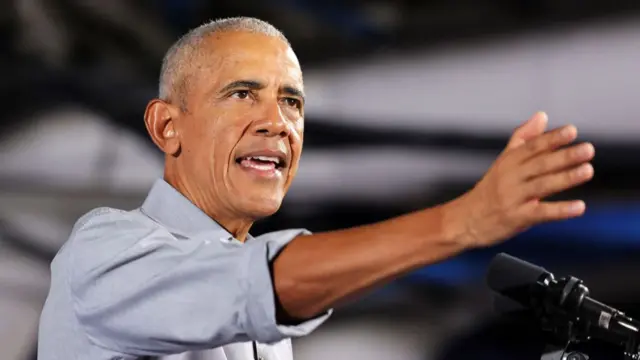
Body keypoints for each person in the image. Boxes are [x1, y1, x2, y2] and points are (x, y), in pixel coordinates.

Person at [37, 16, 596, 360]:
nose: (277, 121)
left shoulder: (267, 322)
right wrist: (461, 223)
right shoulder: (102, 252)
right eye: (241, 94)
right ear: (167, 126)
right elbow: (256, 285)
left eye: (292, 101)